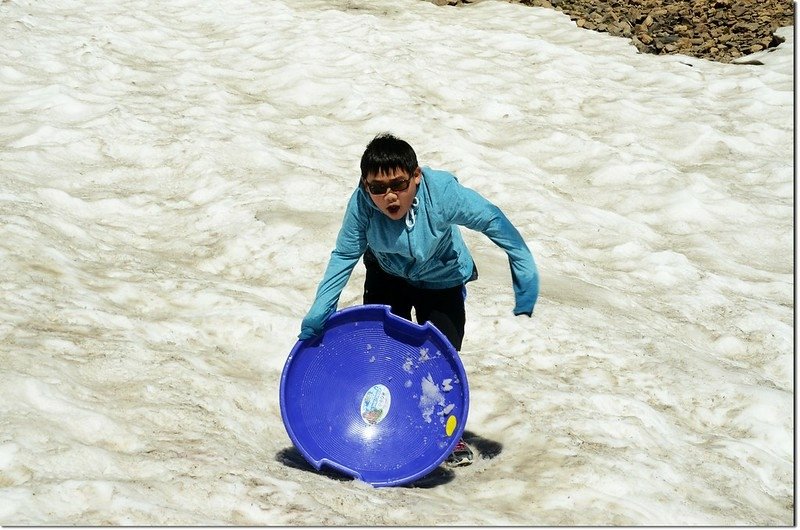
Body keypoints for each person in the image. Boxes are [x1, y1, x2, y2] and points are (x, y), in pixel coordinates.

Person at [298, 133, 539, 466]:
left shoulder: (441, 194)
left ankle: (443, 432)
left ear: (416, 177)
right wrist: (320, 309)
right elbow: (344, 254)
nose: (390, 196)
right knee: (384, 352)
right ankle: (388, 426)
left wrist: (523, 267)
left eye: (398, 184)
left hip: (441, 279)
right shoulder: (362, 206)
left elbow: (491, 219)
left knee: (439, 353)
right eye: (378, 189)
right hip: (388, 275)